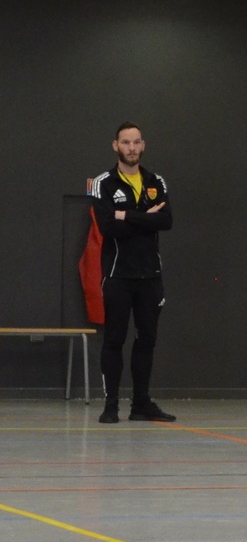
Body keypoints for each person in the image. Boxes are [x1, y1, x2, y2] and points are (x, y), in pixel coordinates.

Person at [90, 122, 175, 423]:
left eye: (136, 142)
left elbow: (166, 221)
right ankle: (111, 405)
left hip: (150, 275)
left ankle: (141, 404)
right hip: (117, 275)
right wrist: (144, 219)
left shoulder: (156, 181)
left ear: (143, 145)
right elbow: (108, 227)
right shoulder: (103, 183)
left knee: (147, 339)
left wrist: (126, 215)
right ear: (116, 145)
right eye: (126, 142)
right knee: (114, 339)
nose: (131, 148)